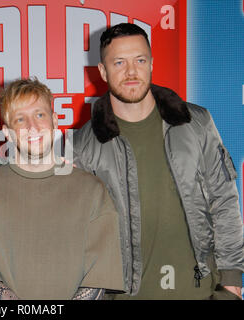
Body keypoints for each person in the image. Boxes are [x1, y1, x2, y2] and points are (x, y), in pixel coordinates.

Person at [73, 23, 244, 299]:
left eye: (139, 60)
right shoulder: (84, 145)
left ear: (151, 63)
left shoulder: (196, 122)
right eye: (119, 62)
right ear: (103, 71)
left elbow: (224, 201)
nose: (131, 72)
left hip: (200, 291)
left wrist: (231, 279)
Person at [0, 78, 124, 300]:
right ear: (6, 132)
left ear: (54, 120)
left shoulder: (92, 190)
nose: (32, 127)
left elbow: (99, 276)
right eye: (20, 119)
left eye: (40, 115)